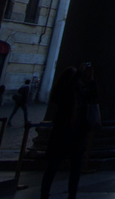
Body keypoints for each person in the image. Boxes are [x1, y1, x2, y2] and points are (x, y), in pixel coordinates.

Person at [40, 63, 97, 199]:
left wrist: (91, 79)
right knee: (53, 166)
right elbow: (67, 89)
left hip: (77, 133)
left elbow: (93, 96)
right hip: (63, 133)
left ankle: (72, 195)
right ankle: (44, 193)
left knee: (75, 168)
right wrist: (78, 73)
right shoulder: (63, 92)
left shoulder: (80, 91)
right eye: (74, 75)